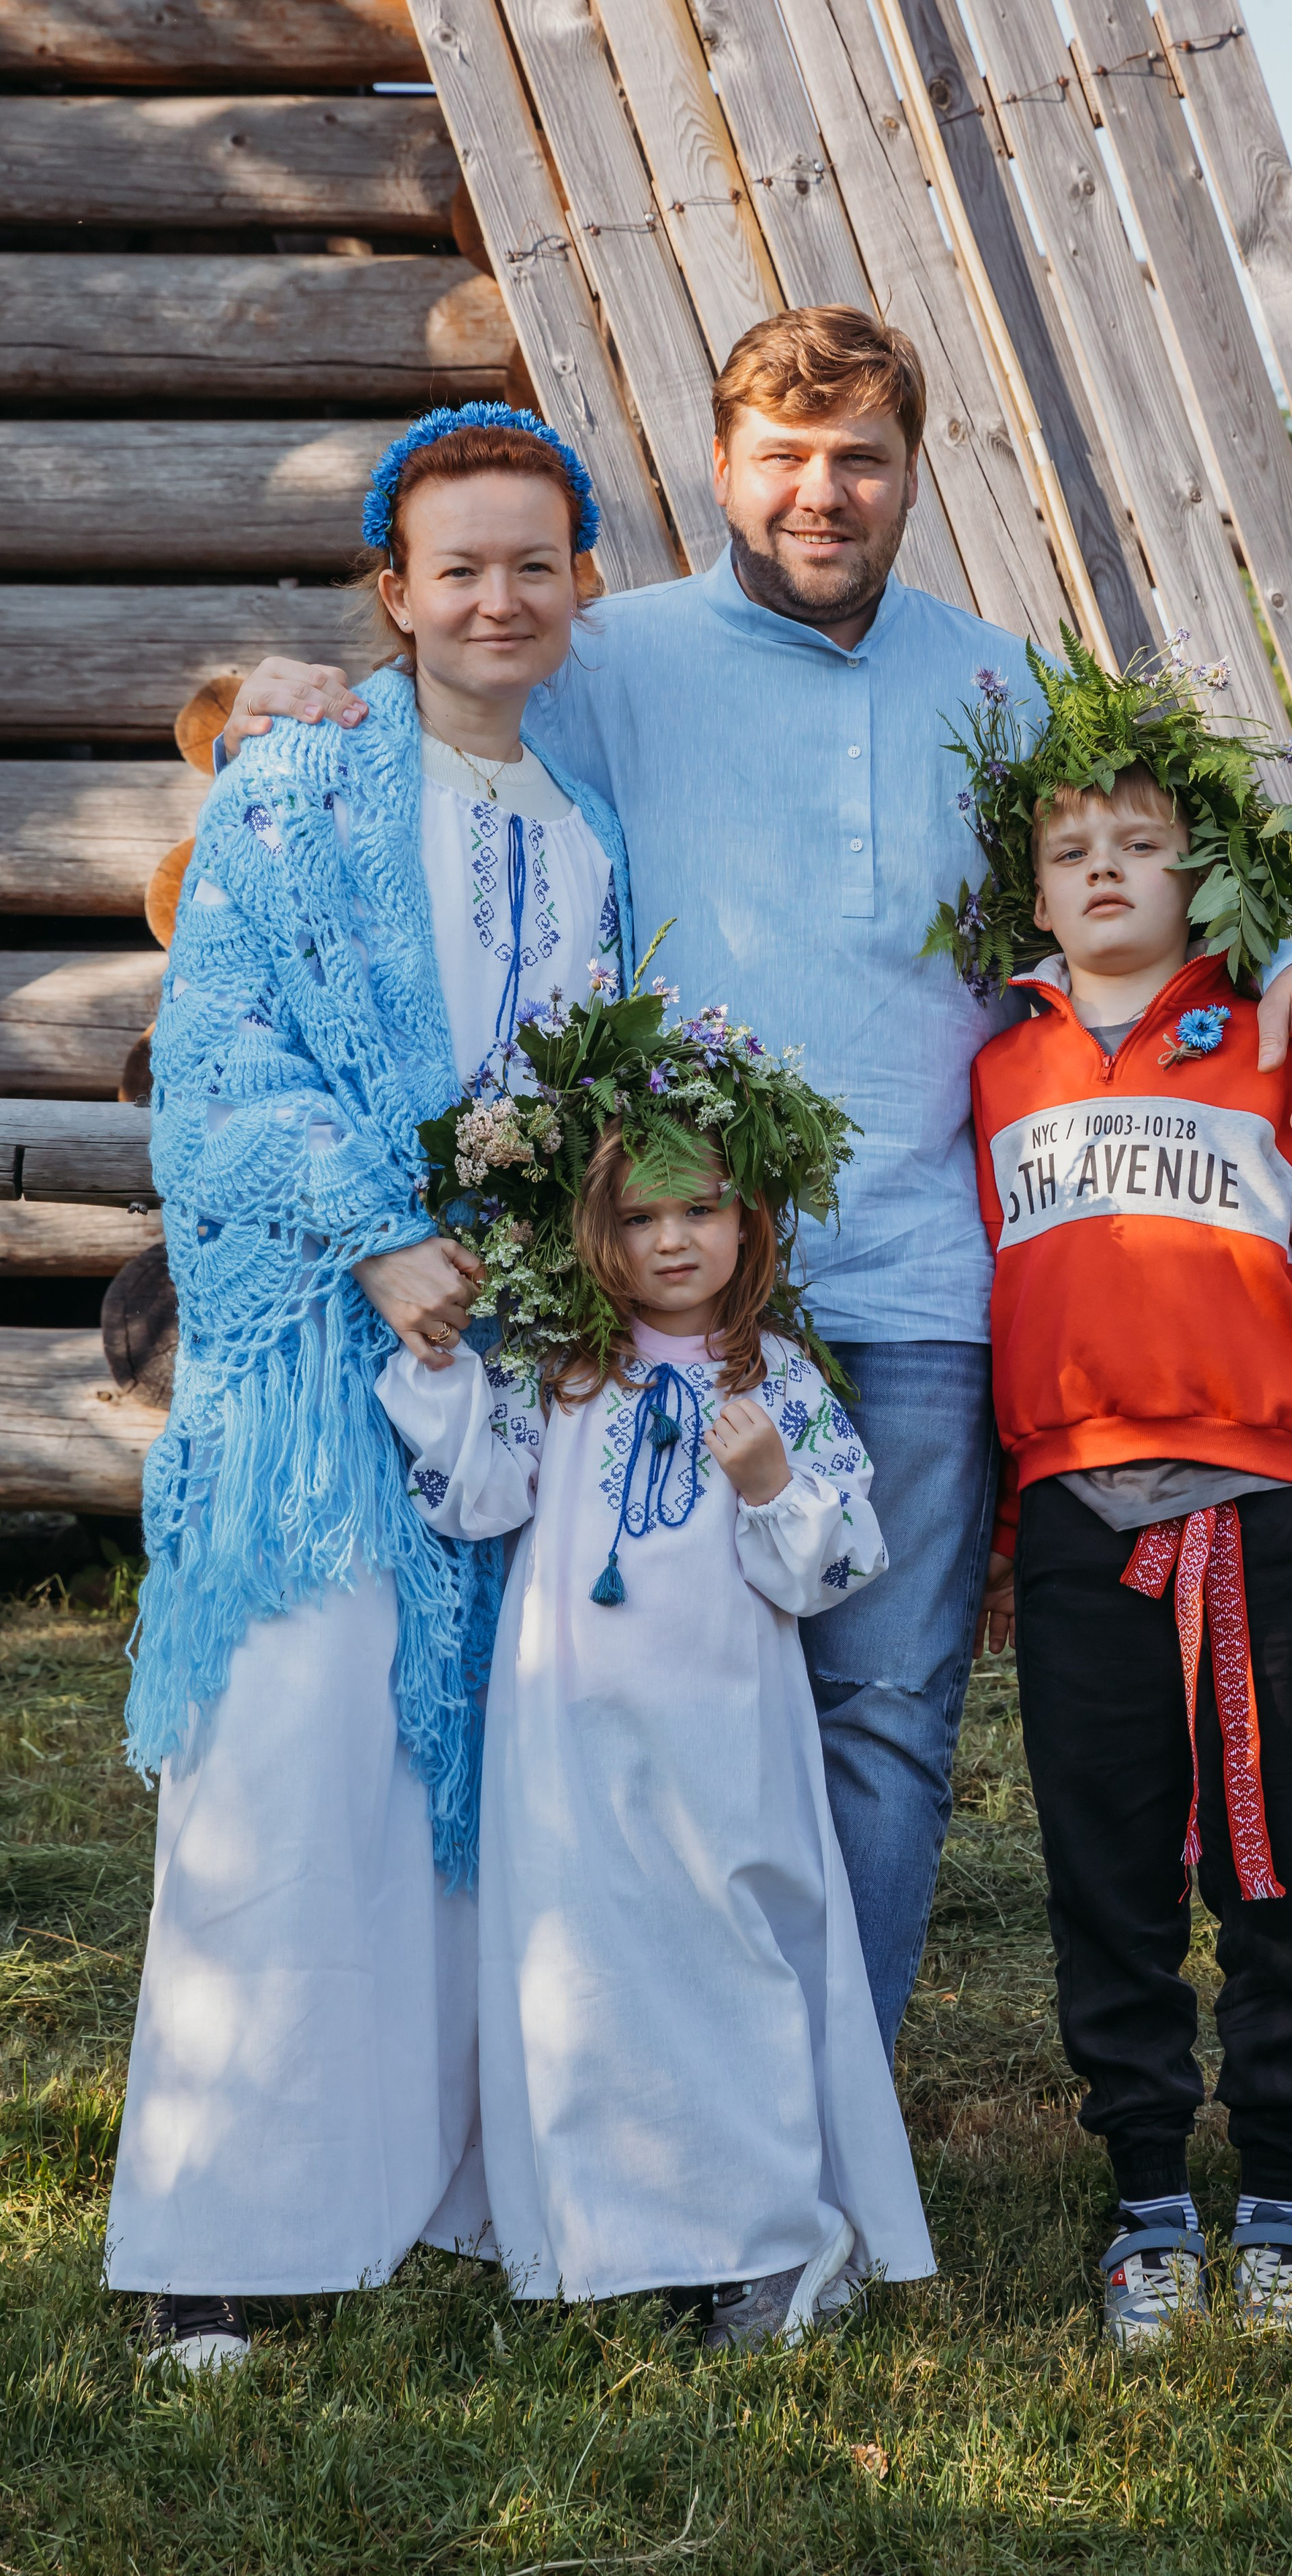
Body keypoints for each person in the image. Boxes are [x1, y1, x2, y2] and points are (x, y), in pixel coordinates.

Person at [218, 306, 1292, 2057]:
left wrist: (1290, 946)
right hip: (662, 1274)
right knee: (641, 1689)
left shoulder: (998, 683)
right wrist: (267, 696)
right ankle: (638, 2073)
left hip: (917, 1282)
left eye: (858, 459)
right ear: (722, 470)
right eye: (782, 457)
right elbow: (419, 720)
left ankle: (823, 2103)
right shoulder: (614, 660)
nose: (819, 492)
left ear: (913, 473)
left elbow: (1165, 831)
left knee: (885, 1707)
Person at [104, 405, 632, 2369]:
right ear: (394, 595)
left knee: (464, 1797)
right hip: (319, 1382)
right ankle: (222, 2239)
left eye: (532, 561)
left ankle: (434, 2187)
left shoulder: (590, 838)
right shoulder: (301, 789)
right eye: (457, 566)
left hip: (506, 1385)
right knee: (286, 1775)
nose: (497, 597)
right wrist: (369, 1228)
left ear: (579, 582)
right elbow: (218, 1061)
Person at [949, 638, 1292, 2347]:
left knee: (1270, 1853)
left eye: (1135, 844)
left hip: (1253, 1504)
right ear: (1030, 887)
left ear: (1196, 871)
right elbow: (1002, 1298)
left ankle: (1284, 2190)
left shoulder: (1263, 1040)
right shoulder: (991, 1061)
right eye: (1067, 848)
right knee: (1103, 1862)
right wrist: (1006, 1530)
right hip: (1077, 1510)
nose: (1099, 869)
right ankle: (1148, 2193)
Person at [377, 979, 934, 2346]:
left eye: (700, 1209)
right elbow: (477, 1501)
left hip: (724, 1745)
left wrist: (770, 1483)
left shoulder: (780, 1379)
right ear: (598, 1235)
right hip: (571, 1741)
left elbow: (830, 1569)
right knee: (586, 1968)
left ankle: (772, 2237)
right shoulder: (562, 1374)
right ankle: (595, 2234)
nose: (673, 1239)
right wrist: (443, 1376)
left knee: (728, 1960)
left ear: (749, 1222)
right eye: (641, 1216)